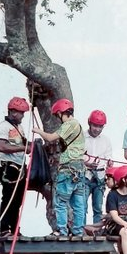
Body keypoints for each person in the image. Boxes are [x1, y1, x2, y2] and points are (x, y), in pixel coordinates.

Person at [33, 98, 87, 239]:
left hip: (68, 168)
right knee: (78, 203)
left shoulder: (69, 124)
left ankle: (62, 231)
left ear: (61, 113)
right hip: (80, 169)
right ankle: (78, 231)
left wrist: (37, 130)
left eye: (58, 115)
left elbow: (51, 138)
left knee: (61, 202)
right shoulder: (78, 126)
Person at [0, 96, 31, 238]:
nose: (22, 116)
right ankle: (4, 229)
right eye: (21, 113)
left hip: (20, 167)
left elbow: (23, 143)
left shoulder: (19, 127)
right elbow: (2, 146)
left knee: (17, 201)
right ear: (13, 112)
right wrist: (24, 148)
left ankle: (15, 229)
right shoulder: (3, 127)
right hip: (9, 167)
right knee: (8, 198)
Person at [83, 108, 113, 225]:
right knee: (82, 206)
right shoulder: (82, 137)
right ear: (89, 123)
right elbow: (76, 155)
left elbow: (108, 157)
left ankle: (97, 230)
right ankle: (81, 230)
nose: (97, 129)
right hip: (85, 176)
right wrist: (87, 163)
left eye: (100, 127)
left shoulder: (106, 140)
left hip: (100, 177)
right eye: (95, 126)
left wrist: (109, 164)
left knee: (98, 207)